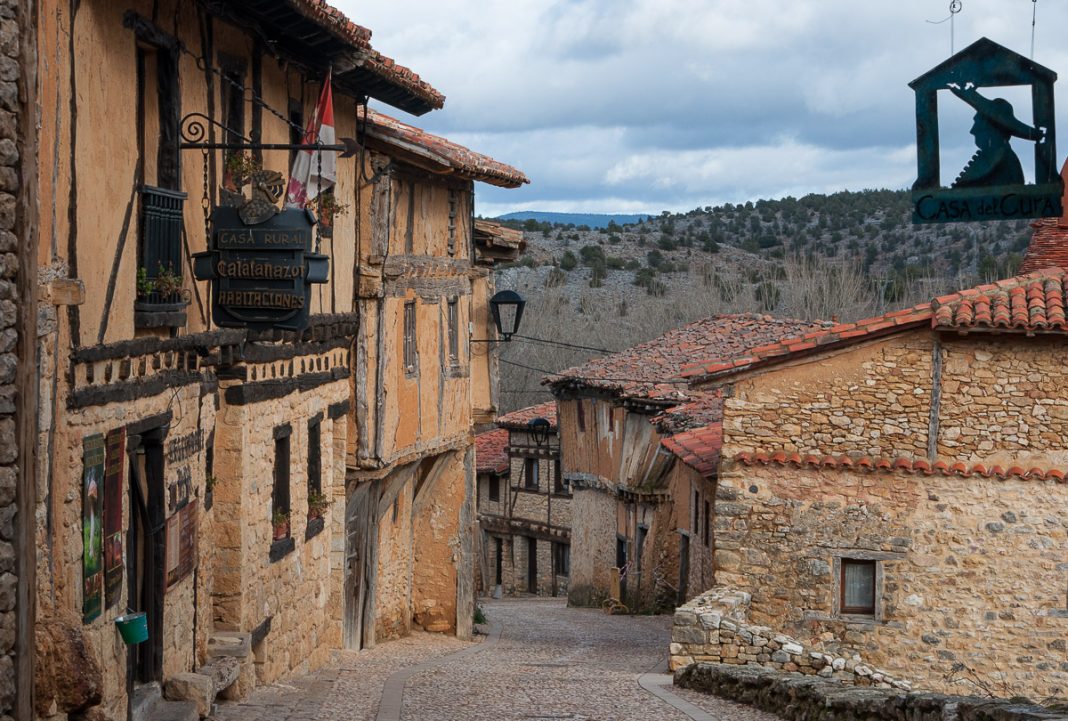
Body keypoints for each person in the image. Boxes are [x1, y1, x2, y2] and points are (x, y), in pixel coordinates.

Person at [950, 85, 1044, 189]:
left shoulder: (997, 153)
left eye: (977, 124)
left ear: (990, 127)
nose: (973, 131)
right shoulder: (998, 153)